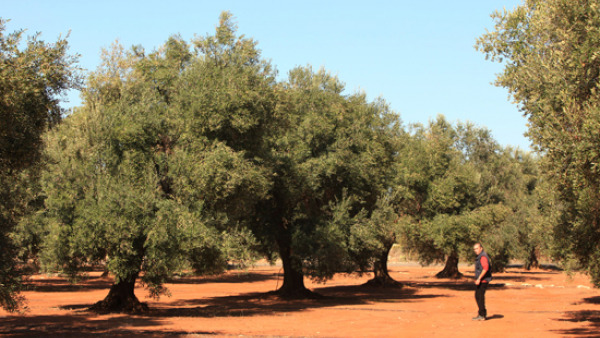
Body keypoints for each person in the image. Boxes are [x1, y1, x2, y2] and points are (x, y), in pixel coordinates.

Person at [473, 242, 492, 321]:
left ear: (481, 248)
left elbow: (485, 268)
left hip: (483, 280)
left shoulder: (483, 257)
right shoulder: (480, 256)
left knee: (480, 297)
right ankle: (481, 313)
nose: (475, 250)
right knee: (478, 296)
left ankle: (482, 315)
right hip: (481, 280)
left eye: (477, 248)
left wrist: (479, 278)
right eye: (474, 249)